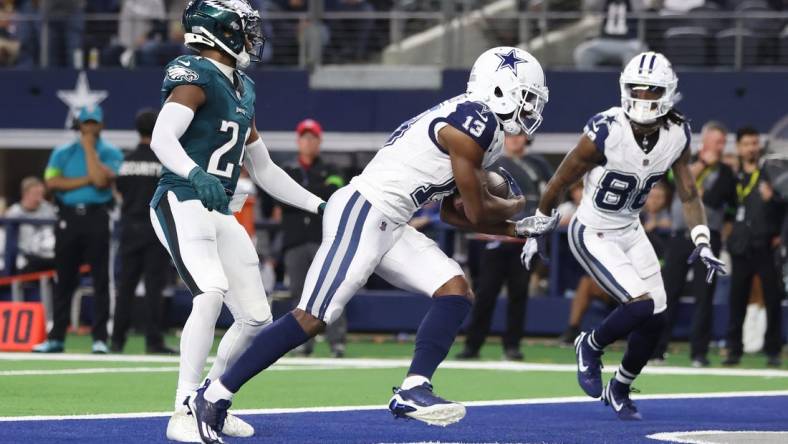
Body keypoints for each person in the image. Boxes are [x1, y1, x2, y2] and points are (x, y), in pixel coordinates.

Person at [191, 46, 556, 443]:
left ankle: (414, 388)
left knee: (455, 289)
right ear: (500, 88)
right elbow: (474, 209)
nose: (531, 105)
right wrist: (514, 209)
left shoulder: (483, 128)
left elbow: (453, 214)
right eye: (527, 94)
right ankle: (213, 396)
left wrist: (517, 228)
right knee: (312, 317)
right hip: (364, 211)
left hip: (391, 220)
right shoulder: (476, 118)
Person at [146, 1, 326, 441]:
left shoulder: (242, 87)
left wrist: (320, 206)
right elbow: (161, 137)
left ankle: (212, 401)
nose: (252, 38)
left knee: (256, 317)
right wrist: (193, 172)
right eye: (246, 29)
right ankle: (182, 411)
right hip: (180, 197)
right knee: (209, 293)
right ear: (219, 31)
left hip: (218, 207)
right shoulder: (196, 73)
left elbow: (264, 170)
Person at [522, 52, 726, 420]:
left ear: (667, 94)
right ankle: (590, 343)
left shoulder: (678, 133)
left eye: (652, 92)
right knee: (641, 304)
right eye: (637, 90)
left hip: (631, 229)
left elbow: (689, 193)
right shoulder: (605, 131)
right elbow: (559, 181)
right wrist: (538, 227)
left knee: (657, 319)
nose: (644, 99)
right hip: (593, 230)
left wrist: (702, 240)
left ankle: (619, 386)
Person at [32, 104, 124, 354]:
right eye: (86, 123)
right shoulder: (61, 152)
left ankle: (100, 338)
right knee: (65, 279)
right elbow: (51, 182)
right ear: (79, 125)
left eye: (95, 123)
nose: (90, 128)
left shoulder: (111, 152)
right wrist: (85, 180)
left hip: (97, 217)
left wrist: (88, 150)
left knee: (101, 280)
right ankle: (56, 338)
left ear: (101, 125)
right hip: (68, 219)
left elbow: (101, 180)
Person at [457, 132, 553, 361]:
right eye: (510, 135)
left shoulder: (537, 164)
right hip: (493, 238)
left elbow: (551, 194)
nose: (515, 140)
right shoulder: (490, 161)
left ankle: (512, 346)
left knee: (519, 294)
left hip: (524, 239)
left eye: (520, 135)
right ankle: (473, 345)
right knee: (485, 293)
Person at [653, 121, 737, 367]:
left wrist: (723, 235)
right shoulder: (684, 162)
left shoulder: (726, 172)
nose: (721, 147)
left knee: (704, 295)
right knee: (669, 292)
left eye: (723, 142)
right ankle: (657, 350)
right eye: (717, 141)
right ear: (706, 141)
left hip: (709, 239)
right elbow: (677, 184)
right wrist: (702, 164)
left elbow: (727, 207)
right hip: (681, 235)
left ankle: (698, 353)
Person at [276, 118, 347, 358]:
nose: (309, 142)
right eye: (305, 137)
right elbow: (281, 199)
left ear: (319, 141)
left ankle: (337, 342)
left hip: (323, 240)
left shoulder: (333, 170)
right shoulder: (287, 170)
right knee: (298, 292)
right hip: (295, 240)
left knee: (332, 290)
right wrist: (315, 194)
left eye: (313, 137)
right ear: (298, 141)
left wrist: (301, 195)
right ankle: (303, 342)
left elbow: (334, 196)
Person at [110, 108, 176, 355]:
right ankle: (153, 341)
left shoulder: (125, 161)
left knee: (125, 286)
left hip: (129, 227)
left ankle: (116, 341)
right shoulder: (163, 159)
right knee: (153, 287)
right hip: (155, 228)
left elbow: (119, 192)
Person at [724, 126, 785, 368]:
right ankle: (734, 350)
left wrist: (775, 200)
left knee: (772, 299)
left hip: (766, 244)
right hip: (740, 248)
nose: (752, 147)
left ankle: (773, 351)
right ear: (738, 147)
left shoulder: (771, 172)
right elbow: (726, 209)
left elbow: (786, 202)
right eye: (747, 143)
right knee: (736, 300)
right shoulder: (733, 175)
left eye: (754, 143)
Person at [574, 0, 647, 69]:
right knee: (584, 52)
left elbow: (641, 10)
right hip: (604, 40)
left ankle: (627, 82)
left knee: (633, 57)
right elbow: (592, 8)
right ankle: (588, 81)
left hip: (628, 42)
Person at [5, 177, 57, 273]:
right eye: (36, 194)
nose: (39, 197)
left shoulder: (48, 208)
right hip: (25, 256)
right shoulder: (14, 212)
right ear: (25, 193)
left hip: (48, 254)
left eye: (41, 193)